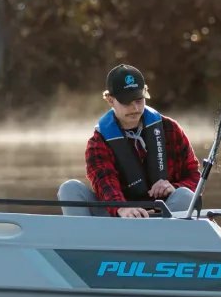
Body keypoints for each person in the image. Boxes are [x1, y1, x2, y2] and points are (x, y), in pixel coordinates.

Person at [58, 64, 201, 218]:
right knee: (69, 189)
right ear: (110, 100)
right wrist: (122, 208)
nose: (135, 107)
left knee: (185, 195)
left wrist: (174, 187)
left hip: (162, 214)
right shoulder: (98, 141)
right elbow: (104, 181)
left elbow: (194, 175)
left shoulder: (170, 128)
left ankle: (161, 237)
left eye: (139, 100)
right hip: (118, 216)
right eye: (127, 102)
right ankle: (87, 240)